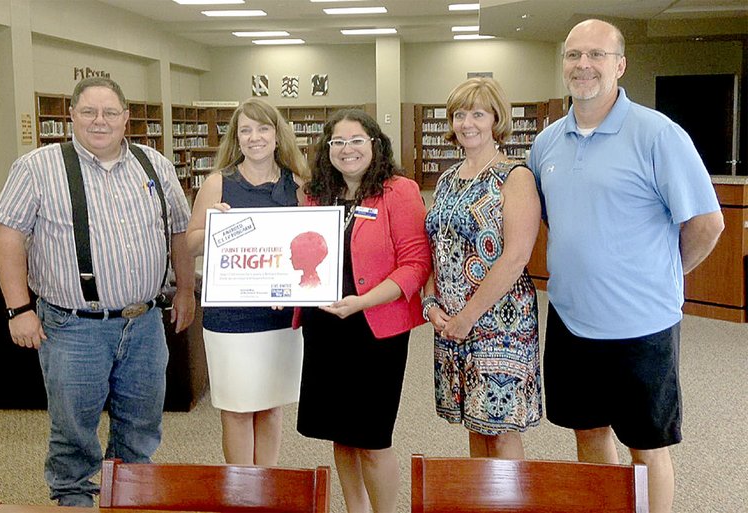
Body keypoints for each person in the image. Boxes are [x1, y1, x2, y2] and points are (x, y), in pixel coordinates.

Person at [527, 19, 724, 513]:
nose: (583, 65)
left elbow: (706, 223)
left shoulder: (658, 135)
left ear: (620, 65)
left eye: (596, 55)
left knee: (646, 446)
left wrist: (664, 274)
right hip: (571, 319)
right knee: (587, 432)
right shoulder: (546, 143)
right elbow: (555, 221)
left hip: (643, 324)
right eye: (573, 55)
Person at [0, 76, 196, 506]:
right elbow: (7, 238)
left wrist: (185, 291)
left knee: (141, 427)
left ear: (125, 118)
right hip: (72, 327)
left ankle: (129, 496)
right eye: (88, 112)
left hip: (144, 324)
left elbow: (179, 231)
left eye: (109, 113)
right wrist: (17, 309)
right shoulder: (37, 167)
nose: (99, 121)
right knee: (73, 431)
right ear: (71, 117)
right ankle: (73, 499)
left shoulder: (154, 164)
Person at [294, 109, 431, 513]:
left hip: (375, 327)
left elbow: (416, 263)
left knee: (372, 438)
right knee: (340, 433)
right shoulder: (317, 195)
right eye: (338, 142)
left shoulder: (398, 190)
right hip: (325, 326)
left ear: (374, 144)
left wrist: (364, 301)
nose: (347, 149)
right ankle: (356, 510)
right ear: (327, 149)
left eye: (357, 140)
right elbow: (298, 251)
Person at [423, 77, 542, 460]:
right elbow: (433, 246)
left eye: (477, 113)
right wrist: (430, 303)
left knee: (501, 428)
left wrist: (468, 317)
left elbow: (516, 257)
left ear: (495, 119)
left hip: (500, 321)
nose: (467, 123)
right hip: (452, 320)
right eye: (459, 114)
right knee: (473, 421)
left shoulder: (515, 177)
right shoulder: (445, 180)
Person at [186, 98, 309, 466]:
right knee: (237, 407)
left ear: (277, 134)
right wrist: (213, 226)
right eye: (246, 130)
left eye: (263, 128)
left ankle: (266, 487)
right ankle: (241, 492)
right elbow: (190, 243)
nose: (255, 137)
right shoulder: (217, 183)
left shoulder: (298, 184)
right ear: (236, 139)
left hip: (280, 314)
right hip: (231, 315)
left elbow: (311, 242)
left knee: (271, 406)